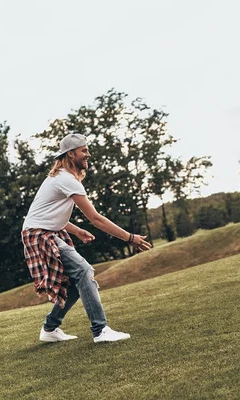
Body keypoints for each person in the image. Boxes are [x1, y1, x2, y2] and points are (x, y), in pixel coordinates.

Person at [21, 133, 152, 343]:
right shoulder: (65, 179)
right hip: (40, 234)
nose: (88, 155)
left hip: (43, 231)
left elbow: (47, 213)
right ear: (71, 154)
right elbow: (95, 218)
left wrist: (77, 231)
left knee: (76, 279)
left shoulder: (61, 178)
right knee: (84, 270)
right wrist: (129, 238)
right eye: (84, 151)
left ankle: (50, 328)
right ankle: (100, 331)